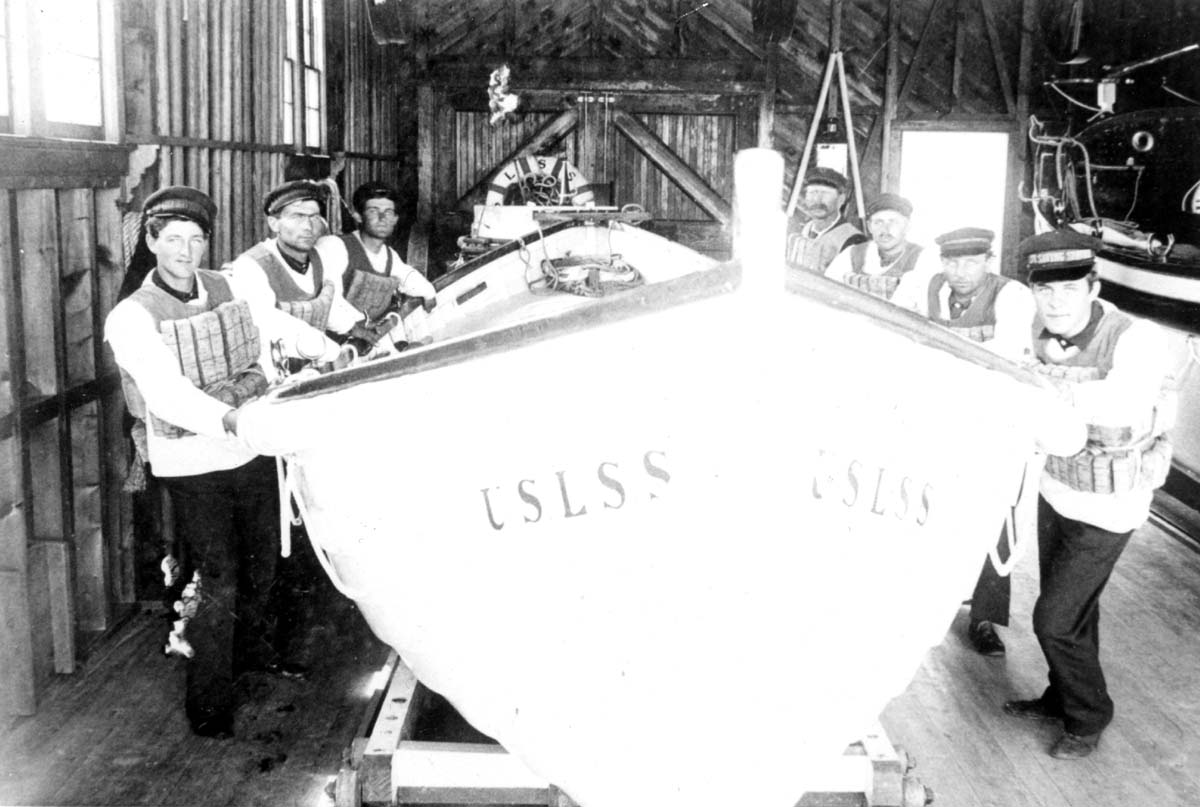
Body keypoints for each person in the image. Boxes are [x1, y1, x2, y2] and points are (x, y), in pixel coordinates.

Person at [104, 187, 342, 739]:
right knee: (220, 578)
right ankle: (208, 701)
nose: (186, 251)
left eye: (196, 239)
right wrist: (229, 420)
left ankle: (254, 655)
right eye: (173, 240)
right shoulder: (131, 316)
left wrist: (326, 349)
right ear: (152, 242)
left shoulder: (225, 285)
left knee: (263, 561)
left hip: (248, 446)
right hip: (190, 461)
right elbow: (164, 393)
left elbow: (269, 326)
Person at [1003, 229, 1174, 759]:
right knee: (1075, 612)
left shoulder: (1134, 336)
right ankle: (1061, 695)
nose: (1056, 301)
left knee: (1052, 618)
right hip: (1057, 487)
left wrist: (1039, 386)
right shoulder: (1030, 325)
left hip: (1111, 502)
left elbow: (1118, 403)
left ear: (1092, 286)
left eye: (1069, 289)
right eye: (1045, 290)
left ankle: (1088, 715)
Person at [907, 227, 1038, 655]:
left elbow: (1002, 355)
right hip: (939, 420)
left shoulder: (1011, 295)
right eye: (951, 262)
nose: (959, 272)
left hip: (994, 424)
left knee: (993, 518)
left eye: (970, 262)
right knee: (932, 508)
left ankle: (983, 617)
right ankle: (930, 601)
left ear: (988, 260)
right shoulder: (923, 285)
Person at [224, 180, 364, 350]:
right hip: (273, 367)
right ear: (274, 224)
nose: (308, 226)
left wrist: (358, 329)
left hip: (314, 358)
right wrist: (329, 350)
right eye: (297, 217)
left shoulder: (321, 257)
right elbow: (267, 322)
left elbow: (329, 308)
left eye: (314, 217)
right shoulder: (251, 266)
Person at [314, 180, 437, 353]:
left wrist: (428, 292)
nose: (382, 218)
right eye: (373, 211)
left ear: (395, 219)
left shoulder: (388, 255)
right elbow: (327, 300)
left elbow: (407, 276)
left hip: (369, 341)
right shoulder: (334, 246)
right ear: (358, 215)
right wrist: (361, 327)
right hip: (334, 347)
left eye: (388, 212)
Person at [825, 193, 939, 301]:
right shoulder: (852, 253)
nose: (885, 230)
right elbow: (829, 290)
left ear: (907, 226)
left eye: (893, 222)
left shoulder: (922, 258)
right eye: (878, 222)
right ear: (869, 227)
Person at [785, 167, 866, 275]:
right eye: (813, 193)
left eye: (825, 194)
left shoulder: (855, 240)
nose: (818, 200)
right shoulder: (798, 230)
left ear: (841, 200)